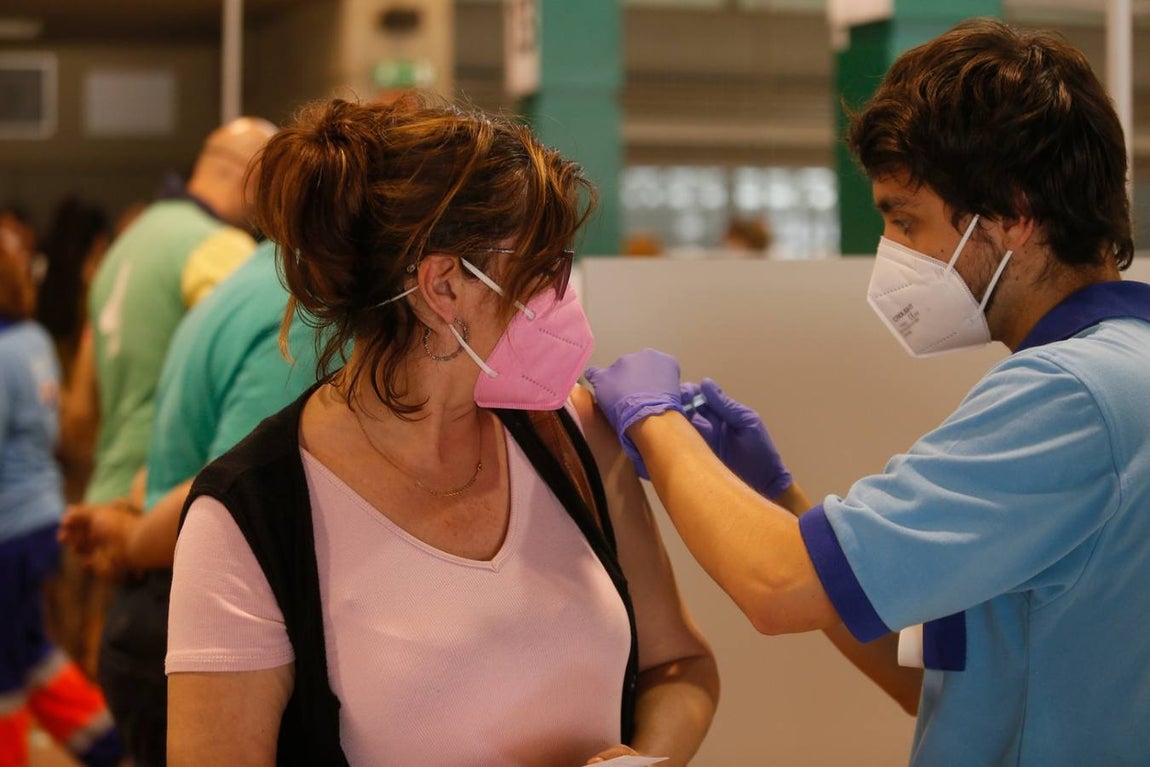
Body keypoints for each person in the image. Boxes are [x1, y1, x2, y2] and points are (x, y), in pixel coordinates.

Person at [585, 18, 1150, 766]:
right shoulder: (1125, 371)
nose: (895, 258)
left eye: (906, 222)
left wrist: (656, 423)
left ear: (1014, 216)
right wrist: (781, 500)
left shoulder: (1070, 395)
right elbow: (951, 681)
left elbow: (777, 587)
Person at [165, 96, 719, 767]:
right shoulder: (251, 514)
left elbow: (680, 664)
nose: (564, 294)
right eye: (544, 268)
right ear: (444, 287)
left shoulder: (572, 436)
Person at [59, 237, 321, 763]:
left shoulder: (236, 289)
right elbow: (231, 492)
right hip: (189, 603)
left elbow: (174, 465)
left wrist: (128, 519)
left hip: (159, 599)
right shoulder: (303, 307)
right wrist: (131, 539)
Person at [76, 115, 276, 767]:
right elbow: (242, 423)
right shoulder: (221, 254)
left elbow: (84, 402)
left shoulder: (125, 246)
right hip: (174, 524)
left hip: (122, 495)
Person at [0, 220, 124, 767]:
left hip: (7, 529)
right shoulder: (31, 341)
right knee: (29, 654)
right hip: (38, 519)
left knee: (6, 671)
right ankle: (116, 749)